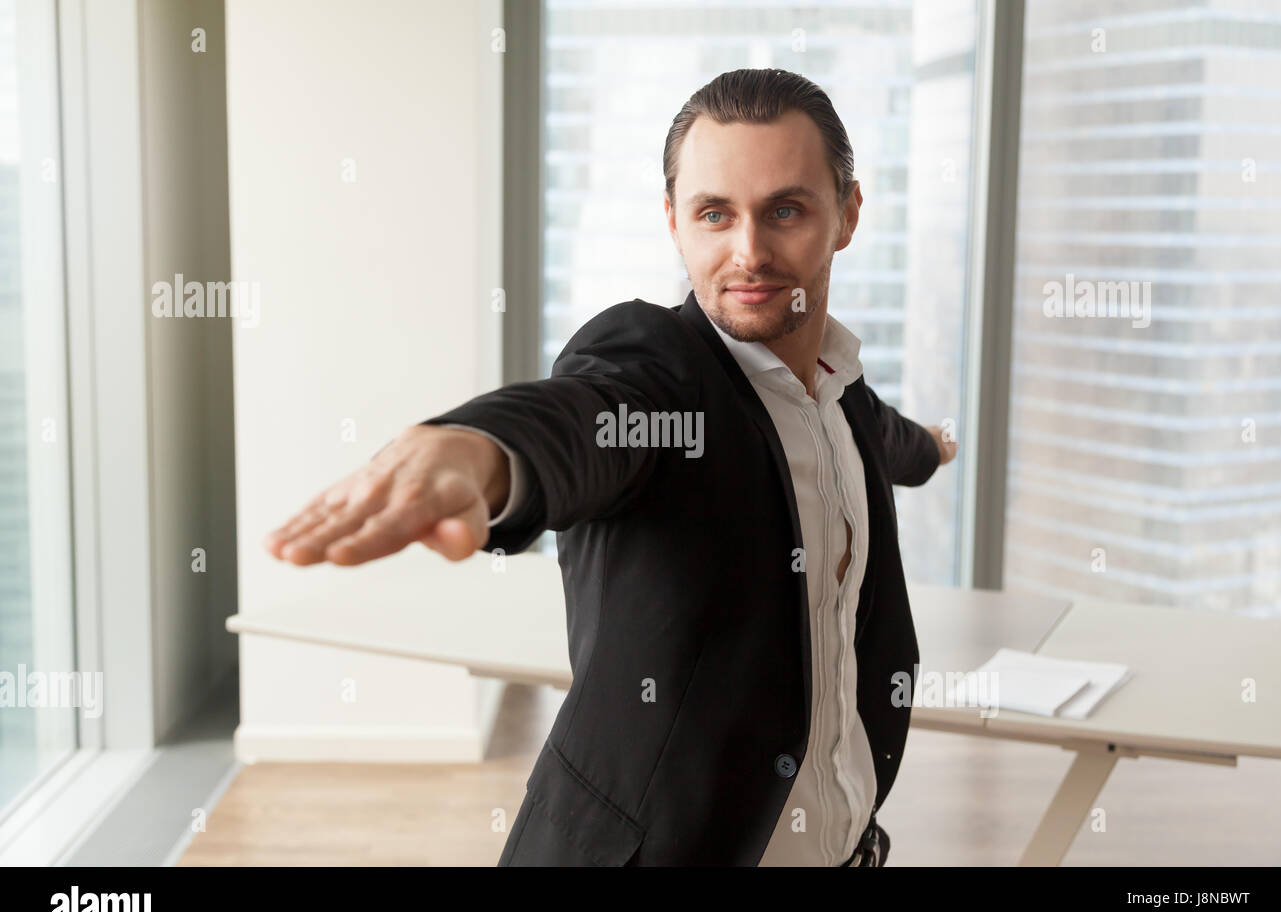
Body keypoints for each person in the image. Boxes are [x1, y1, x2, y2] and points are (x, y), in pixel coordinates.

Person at [264, 67, 958, 866]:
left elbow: (887, 439)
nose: (749, 252)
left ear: (848, 214)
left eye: (787, 211)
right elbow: (587, 419)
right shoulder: (662, 374)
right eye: (713, 214)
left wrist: (936, 446)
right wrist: (483, 450)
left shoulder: (845, 398)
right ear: (673, 222)